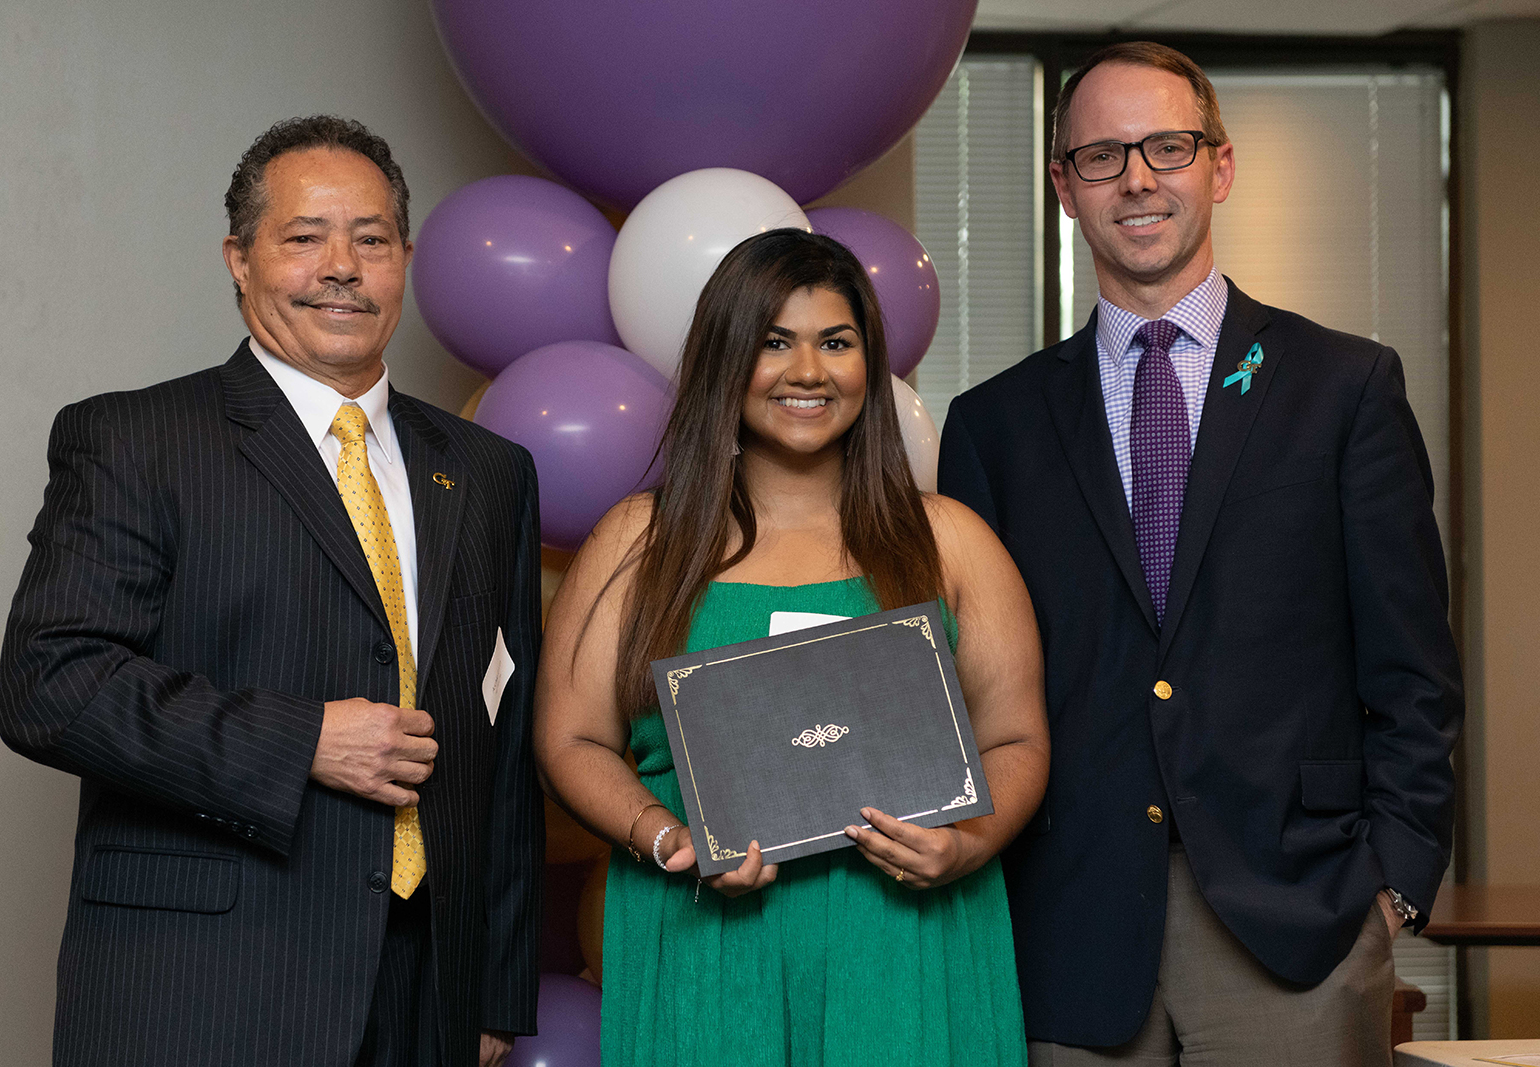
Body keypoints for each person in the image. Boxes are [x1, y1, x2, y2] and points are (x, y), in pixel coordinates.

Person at [938, 42, 1463, 1067]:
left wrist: (1391, 883)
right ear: (1063, 187)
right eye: (1101, 155)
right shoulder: (992, 425)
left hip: (1296, 916)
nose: (1137, 177)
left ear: (1217, 168)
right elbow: (965, 687)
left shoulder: (1342, 388)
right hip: (1068, 922)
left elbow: (1411, 664)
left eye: (1166, 147)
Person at [0, 115, 542, 1067]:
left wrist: (492, 989)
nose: (342, 266)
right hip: (206, 986)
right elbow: (49, 684)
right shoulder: (135, 440)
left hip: (429, 996)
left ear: (404, 260)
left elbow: (502, 736)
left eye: (372, 239)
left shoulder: (489, 469)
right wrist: (303, 744)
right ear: (239, 260)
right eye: (304, 237)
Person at [535, 228, 1049, 1066]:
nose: (807, 371)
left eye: (835, 342)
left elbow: (1017, 738)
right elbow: (571, 737)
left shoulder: (952, 542)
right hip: (706, 938)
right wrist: (666, 836)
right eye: (774, 342)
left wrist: (969, 843)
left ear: (868, 365)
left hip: (907, 941)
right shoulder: (640, 540)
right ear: (725, 360)